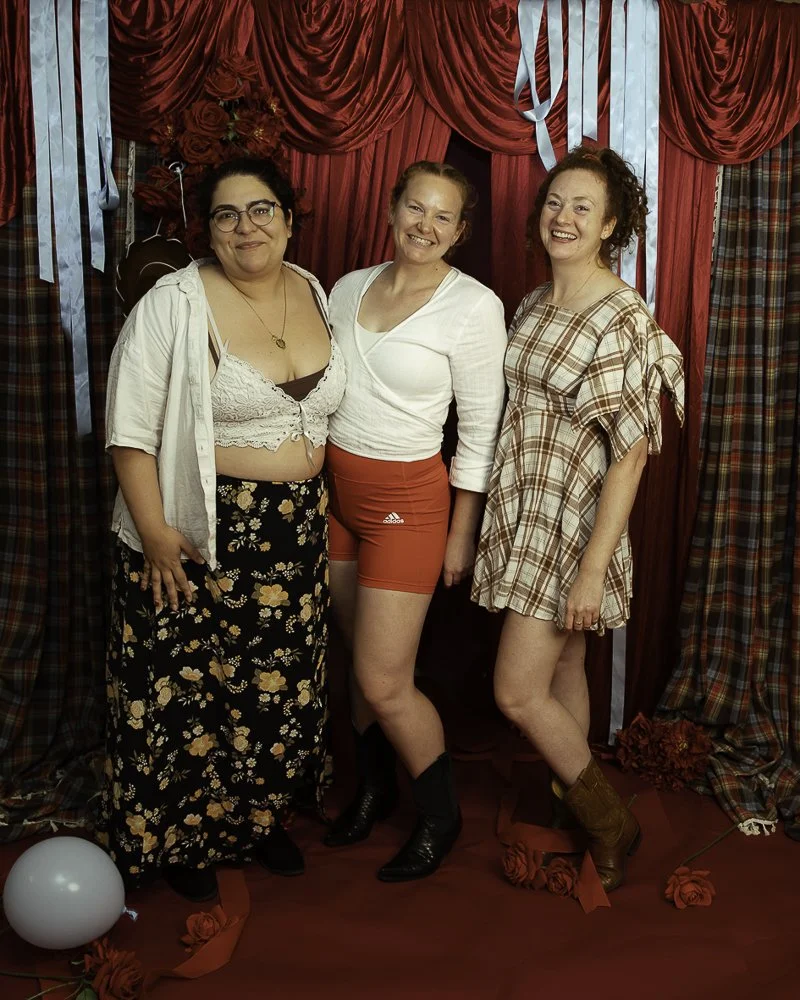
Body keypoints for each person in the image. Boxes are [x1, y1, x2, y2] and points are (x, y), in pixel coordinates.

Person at [99, 157, 346, 901]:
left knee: (274, 689)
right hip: (195, 528)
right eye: (227, 214)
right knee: (185, 690)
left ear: (289, 218)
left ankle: (257, 822)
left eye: (261, 209)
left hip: (295, 533)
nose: (247, 227)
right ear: (205, 229)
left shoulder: (312, 289)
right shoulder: (173, 303)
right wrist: (153, 531)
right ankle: (184, 841)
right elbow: (128, 430)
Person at [472, 146, 685, 892]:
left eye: (582, 208)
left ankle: (610, 820)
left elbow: (630, 456)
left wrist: (593, 567)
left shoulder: (619, 317)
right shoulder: (534, 302)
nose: (562, 218)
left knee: (514, 691)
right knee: (562, 667)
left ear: (611, 225)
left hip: (572, 524)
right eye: (555, 204)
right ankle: (575, 800)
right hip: (524, 504)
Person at [323, 161, 507, 881]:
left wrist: (462, 530)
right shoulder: (346, 288)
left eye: (442, 217)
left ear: (460, 232)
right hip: (336, 494)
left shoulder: (473, 307)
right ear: (392, 206)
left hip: (410, 504)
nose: (424, 227)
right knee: (350, 660)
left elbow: (483, 428)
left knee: (383, 678)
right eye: (414, 208)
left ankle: (440, 816)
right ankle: (373, 788)